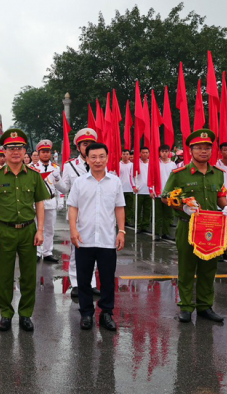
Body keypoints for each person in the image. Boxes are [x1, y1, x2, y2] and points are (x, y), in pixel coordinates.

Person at [0, 128, 49, 332]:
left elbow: (40, 204)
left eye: (19, 148)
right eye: (11, 148)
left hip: (28, 230)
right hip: (4, 231)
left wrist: (41, 230)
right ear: (4, 152)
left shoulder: (34, 176)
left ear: (24, 150)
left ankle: (26, 314)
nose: (15, 152)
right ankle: (6, 314)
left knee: (29, 275)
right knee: (4, 275)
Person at [161, 129, 227, 323]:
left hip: (211, 228)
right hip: (188, 226)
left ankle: (205, 306)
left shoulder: (217, 174)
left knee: (209, 268)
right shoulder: (179, 174)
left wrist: (226, 207)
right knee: (186, 268)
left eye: (207, 148)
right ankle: (185, 306)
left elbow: (220, 195)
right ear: (190, 150)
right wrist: (182, 205)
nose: (203, 151)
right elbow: (165, 197)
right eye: (199, 148)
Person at [67, 142, 126, 331]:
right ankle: (86, 313)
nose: (98, 160)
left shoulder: (115, 182)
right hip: (84, 239)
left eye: (102, 156)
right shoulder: (79, 182)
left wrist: (122, 231)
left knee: (108, 280)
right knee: (83, 279)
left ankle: (106, 313)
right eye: (93, 157)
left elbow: (119, 207)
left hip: (108, 239)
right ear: (86, 159)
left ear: (107, 158)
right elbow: (73, 207)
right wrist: (73, 230)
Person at [56, 128, 99, 297]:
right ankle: (75, 283)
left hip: (96, 212)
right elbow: (65, 188)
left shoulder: (99, 163)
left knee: (95, 248)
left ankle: (92, 282)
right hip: (78, 213)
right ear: (79, 146)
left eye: (91, 144)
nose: (88, 146)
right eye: (85, 144)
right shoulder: (70, 166)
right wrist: (57, 180)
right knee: (77, 250)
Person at [32, 140, 62, 263]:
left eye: (47, 152)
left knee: (50, 229)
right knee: (38, 228)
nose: (45, 154)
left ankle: (48, 252)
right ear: (38, 153)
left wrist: (60, 200)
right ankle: (37, 252)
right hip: (37, 202)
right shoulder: (32, 168)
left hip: (50, 201)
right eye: (43, 152)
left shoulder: (56, 168)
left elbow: (59, 187)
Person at [156, 145, 177, 240]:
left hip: (169, 193)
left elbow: (176, 178)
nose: (164, 153)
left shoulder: (173, 164)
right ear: (159, 152)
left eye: (166, 151)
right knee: (158, 215)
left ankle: (166, 233)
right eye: (162, 151)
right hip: (158, 192)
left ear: (169, 152)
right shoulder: (156, 163)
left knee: (168, 215)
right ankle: (156, 233)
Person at [134, 147, 152, 233]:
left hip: (149, 190)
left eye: (146, 152)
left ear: (149, 154)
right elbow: (132, 175)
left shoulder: (151, 164)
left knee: (147, 210)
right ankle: (137, 225)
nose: (145, 154)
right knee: (137, 209)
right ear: (140, 153)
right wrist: (134, 186)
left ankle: (145, 225)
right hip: (139, 190)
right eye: (143, 152)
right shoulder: (136, 164)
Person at [119, 149, 135, 227]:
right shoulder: (118, 164)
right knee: (120, 206)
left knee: (129, 206)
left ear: (129, 155)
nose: (125, 155)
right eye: (124, 154)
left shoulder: (132, 165)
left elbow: (133, 176)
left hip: (129, 188)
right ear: (121, 155)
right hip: (120, 189)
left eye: (127, 154)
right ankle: (120, 220)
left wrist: (134, 186)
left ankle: (127, 220)